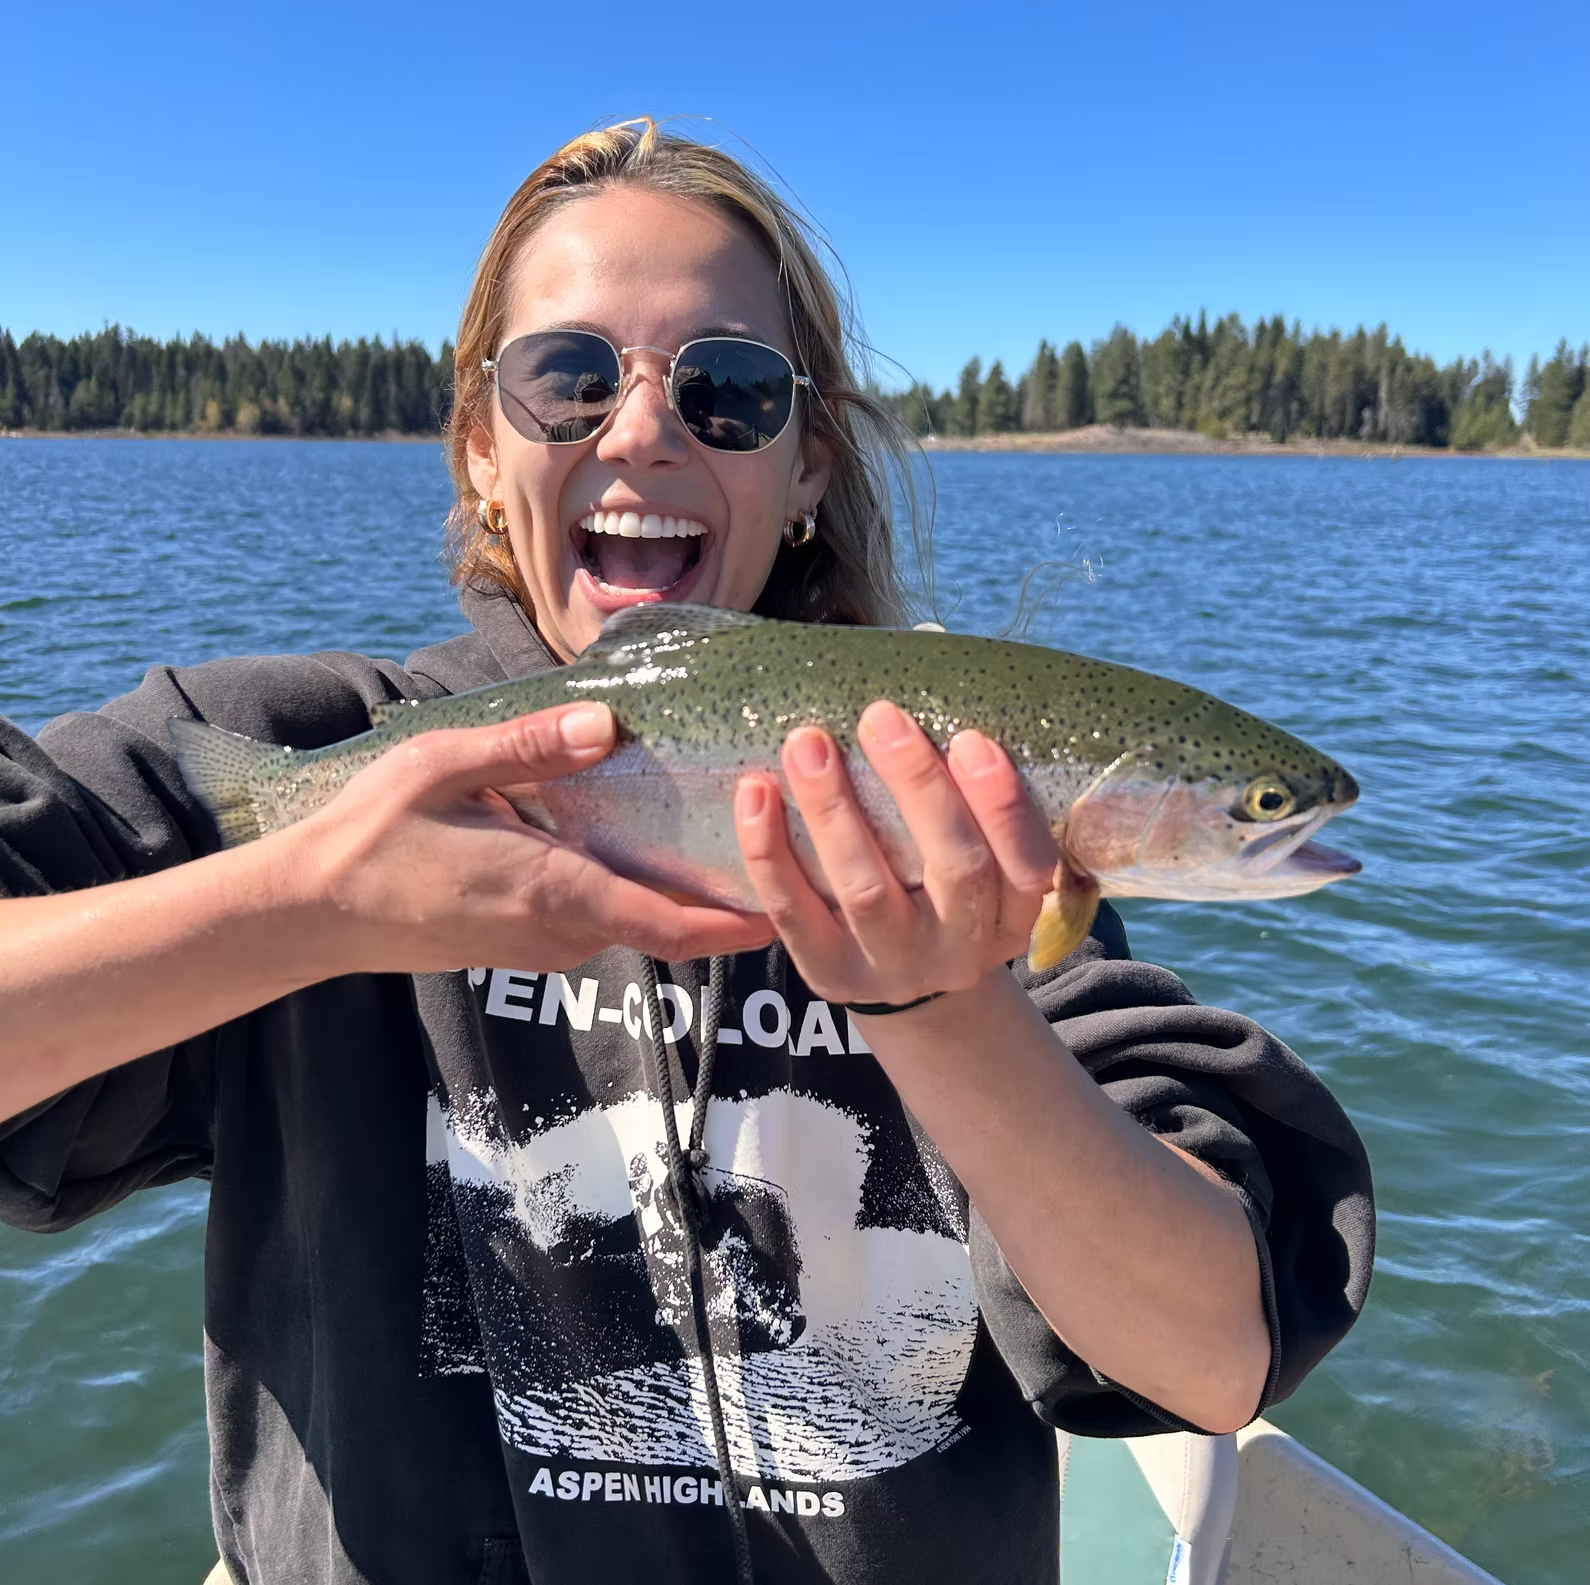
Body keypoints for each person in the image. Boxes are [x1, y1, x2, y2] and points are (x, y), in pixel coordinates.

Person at [0, 121, 1373, 1585]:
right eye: (568, 379)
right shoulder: (289, 746)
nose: (642, 433)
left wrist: (949, 1009)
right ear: (478, 450)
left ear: (803, 468)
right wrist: (304, 900)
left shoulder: (984, 869)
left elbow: (1213, 1360)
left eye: (725, 391)